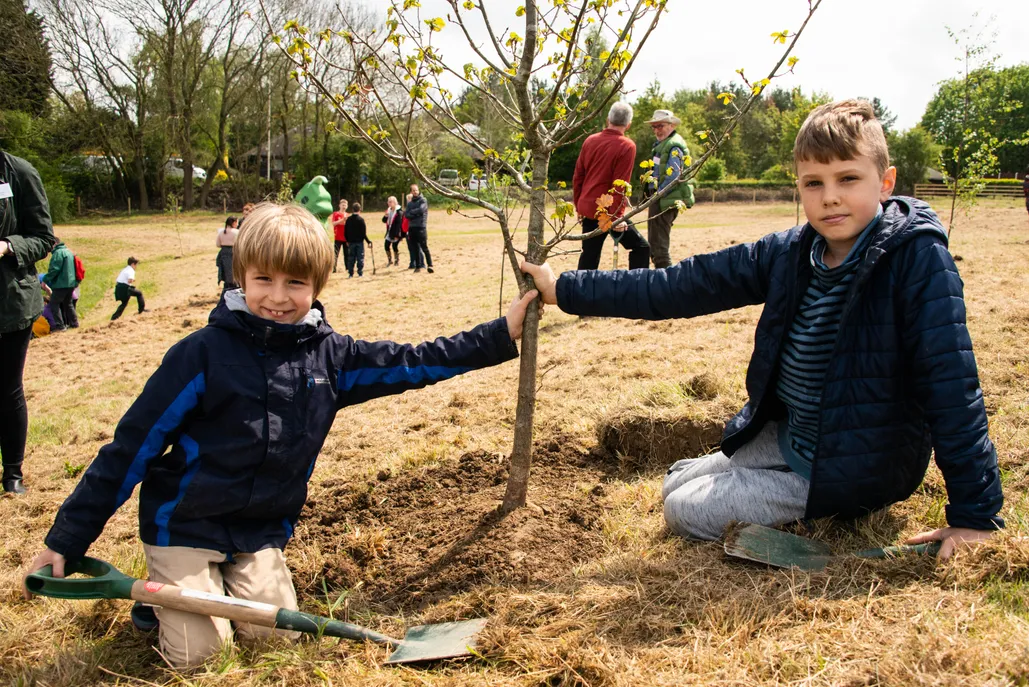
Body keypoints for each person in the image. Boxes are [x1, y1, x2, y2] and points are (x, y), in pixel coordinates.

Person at [23, 201, 538, 668]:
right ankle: (156, 609)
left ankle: (216, 587)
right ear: (240, 276)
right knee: (202, 657)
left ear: (317, 286)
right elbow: (129, 448)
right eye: (263, 279)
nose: (276, 296)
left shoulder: (330, 358)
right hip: (186, 526)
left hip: (259, 533)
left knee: (276, 643)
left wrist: (497, 336)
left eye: (295, 283)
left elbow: (415, 360)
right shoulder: (200, 355)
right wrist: (67, 539)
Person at [522, 100, 1003, 560]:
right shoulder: (792, 250)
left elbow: (952, 388)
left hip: (854, 461)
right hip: (793, 434)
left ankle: (810, 503)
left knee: (681, 510)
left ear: (885, 182)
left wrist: (975, 515)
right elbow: (681, 285)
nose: (830, 196)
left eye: (848, 179)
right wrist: (566, 288)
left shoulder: (918, 261)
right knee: (673, 481)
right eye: (813, 183)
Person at [1, 150, 57, 494]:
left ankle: (12, 472)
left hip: (8, 304)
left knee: (6, 389)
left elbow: (43, 237)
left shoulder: (19, 172)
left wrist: (8, 246)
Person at [572, 102, 650, 271]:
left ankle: (580, 295)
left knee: (589, 257)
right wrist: (617, 217)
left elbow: (578, 176)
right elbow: (620, 184)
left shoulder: (590, 140)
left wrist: (578, 205)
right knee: (641, 248)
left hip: (588, 209)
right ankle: (637, 288)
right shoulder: (627, 146)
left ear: (608, 120)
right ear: (628, 125)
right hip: (609, 211)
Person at [642, 109, 695, 268]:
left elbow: (674, 177)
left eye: (661, 126)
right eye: (654, 127)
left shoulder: (674, 145)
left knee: (659, 247)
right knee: (654, 244)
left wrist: (657, 194)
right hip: (658, 198)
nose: (657, 130)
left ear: (671, 125)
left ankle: (666, 284)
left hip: (664, 200)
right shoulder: (662, 144)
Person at [41, 238, 80, 330]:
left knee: (54, 304)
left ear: (54, 244)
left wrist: (45, 280)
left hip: (61, 284)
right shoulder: (68, 252)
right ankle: (74, 323)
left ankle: (60, 326)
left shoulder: (58, 253)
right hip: (71, 283)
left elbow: (54, 269)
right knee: (68, 304)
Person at [405, 184, 433, 273]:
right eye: (413, 190)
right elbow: (406, 214)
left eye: (416, 190)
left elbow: (421, 210)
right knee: (415, 248)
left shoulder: (423, 200)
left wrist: (412, 213)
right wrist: (415, 213)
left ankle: (430, 265)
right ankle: (418, 266)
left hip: (421, 227)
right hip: (412, 227)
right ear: (411, 192)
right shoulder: (410, 203)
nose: (415, 192)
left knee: (424, 247)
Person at [343, 202, 372, 278]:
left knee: (351, 258)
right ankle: (360, 273)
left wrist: (347, 240)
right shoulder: (361, 220)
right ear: (360, 210)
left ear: (352, 210)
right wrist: (368, 241)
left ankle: (350, 273)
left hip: (351, 242)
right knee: (360, 257)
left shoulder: (348, 220)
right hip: (359, 242)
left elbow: (345, 231)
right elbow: (363, 233)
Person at [215, 216, 238, 293]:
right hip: (233, 252)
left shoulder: (221, 233)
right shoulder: (236, 232)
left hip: (223, 252)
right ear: (234, 223)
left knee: (226, 271)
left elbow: (218, 244)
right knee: (234, 271)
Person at [382, 196, 403, 266]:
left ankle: (396, 260)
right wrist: (385, 216)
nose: (389, 203)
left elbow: (399, 225)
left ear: (395, 202)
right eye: (388, 202)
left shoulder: (399, 212)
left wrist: (397, 235)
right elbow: (384, 221)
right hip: (389, 231)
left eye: (390, 202)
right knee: (386, 245)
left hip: (396, 232)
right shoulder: (389, 210)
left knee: (394, 246)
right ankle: (389, 260)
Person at [331, 199, 348, 273]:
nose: (344, 206)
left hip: (346, 237)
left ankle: (347, 268)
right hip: (338, 237)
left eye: (345, 205)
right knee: (336, 254)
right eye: (342, 205)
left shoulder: (347, 215)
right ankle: (334, 268)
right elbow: (333, 223)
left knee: (347, 254)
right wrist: (342, 220)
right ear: (339, 205)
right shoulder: (336, 214)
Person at [403, 193, 419, 269]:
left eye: (409, 199)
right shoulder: (407, 210)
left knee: (415, 247)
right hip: (407, 231)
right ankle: (412, 262)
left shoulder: (414, 210)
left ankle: (418, 263)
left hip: (413, 230)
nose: (408, 201)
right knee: (410, 248)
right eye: (407, 200)